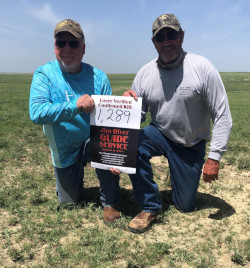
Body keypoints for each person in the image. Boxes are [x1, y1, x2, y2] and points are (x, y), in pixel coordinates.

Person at [119, 13, 232, 233]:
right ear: (154, 42)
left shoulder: (202, 68)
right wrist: (127, 105)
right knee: (132, 145)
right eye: (160, 38)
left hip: (190, 144)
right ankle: (150, 205)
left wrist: (214, 157)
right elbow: (138, 115)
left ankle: (178, 171)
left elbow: (222, 115)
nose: (166, 42)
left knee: (185, 206)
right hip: (159, 133)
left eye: (171, 35)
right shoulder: (145, 73)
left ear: (182, 36)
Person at [29, 19, 121, 223]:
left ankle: (110, 202)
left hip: (93, 141)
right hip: (64, 146)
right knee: (69, 202)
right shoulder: (44, 74)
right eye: (61, 43)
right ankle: (71, 177)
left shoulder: (99, 77)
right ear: (54, 47)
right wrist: (76, 106)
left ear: (83, 48)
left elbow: (109, 122)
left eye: (73, 43)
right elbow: (36, 113)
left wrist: (115, 155)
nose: (67, 49)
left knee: (105, 146)